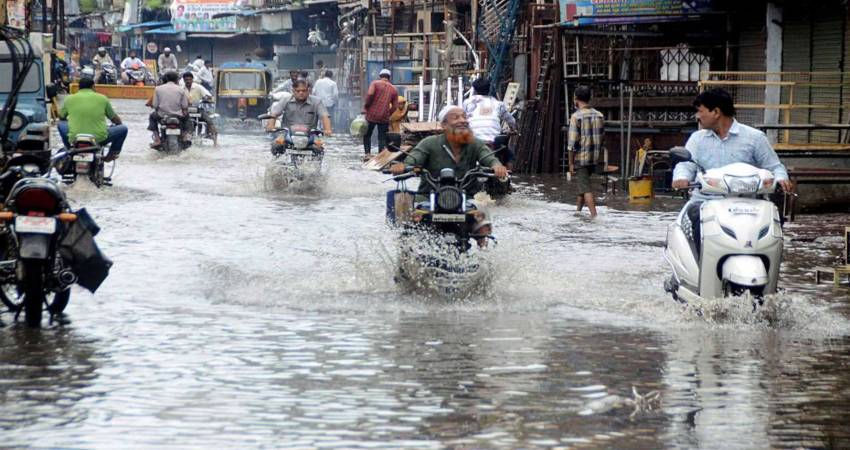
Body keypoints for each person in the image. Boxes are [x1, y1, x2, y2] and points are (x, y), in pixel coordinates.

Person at [672, 88, 791, 247]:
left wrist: (782, 179)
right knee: (685, 230)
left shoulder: (754, 137)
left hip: (747, 205)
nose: (697, 117)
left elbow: (775, 167)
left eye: (700, 111)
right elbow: (686, 165)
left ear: (716, 112)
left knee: (771, 230)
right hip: (705, 202)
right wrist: (681, 178)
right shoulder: (697, 139)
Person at [389, 106, 508, 244]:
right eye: (456, 117)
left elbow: (488, 157)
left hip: (465, 199)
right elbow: (414, 159)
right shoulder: (430, 143)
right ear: (444, 124)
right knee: (412, 220)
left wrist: (497, 166)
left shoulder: (474, 143)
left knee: (482, 216)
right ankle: (408, 253)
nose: (462, 120)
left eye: (464, 117)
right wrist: (402, 166)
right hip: (429, 197)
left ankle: (484, 255)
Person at [57, 77, 127, 162]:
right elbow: (114, 118)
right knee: (123, 129)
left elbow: (61, 116)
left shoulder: (69, 99)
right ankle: (111, 155)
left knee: (60, 124)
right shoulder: (102, 98)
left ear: (79, 87)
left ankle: (68, 149)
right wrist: (119, 124)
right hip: (98, 138)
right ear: (93, 87)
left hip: (75, 138)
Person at [463, 77, 518, 169]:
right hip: (494, 142)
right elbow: (511, 121)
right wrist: (514, 129)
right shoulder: (498, 104)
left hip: (473, 140)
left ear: (475, 90)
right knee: (509, 156)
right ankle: (507, 177)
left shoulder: (467, 103)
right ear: (489, 89)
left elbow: (463, 118)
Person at [567, 85, 605, 218]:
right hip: (594, 157)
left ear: (576, 99)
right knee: (582, 186)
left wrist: (571, 163)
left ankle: (594, 216)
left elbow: (572, 144)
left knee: (586, 188)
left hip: (581, 158)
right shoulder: (599, 115)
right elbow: (602, 138)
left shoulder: (576, 117)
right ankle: (578, 211)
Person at [267, 79, 332, 136]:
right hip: (287, 133)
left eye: (303, 91)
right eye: (298, 91)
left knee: (318, 146)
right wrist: (270, 126)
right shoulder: (285, 100)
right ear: (293, 91)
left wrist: (327, 130)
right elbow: (274, 114)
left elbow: (324, 116)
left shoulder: (317, 101)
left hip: (311, 134)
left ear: (308, 91)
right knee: (277, 144)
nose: (301, 93)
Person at [147, 70, 190, 148]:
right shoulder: (181, 89)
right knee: (187, 117)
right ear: (177, 79)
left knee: (152, 117)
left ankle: (157, 139)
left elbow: (155, 105)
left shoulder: (158, 88)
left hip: (162, 116)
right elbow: (185, 106)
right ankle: (184, 137)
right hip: (178, 116)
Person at [362, 68, 398, 160]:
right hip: (384, 117)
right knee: (382, 137)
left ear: (380, 76)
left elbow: (370, 94)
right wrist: (388, 114)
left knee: (367, 134)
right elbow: (394, 107)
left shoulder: (375, 83)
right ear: (389, 77)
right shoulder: (394, 89)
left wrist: (366, 106)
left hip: (371, 114)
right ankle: (381, 155)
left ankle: (367, 154)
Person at [182, 71, 217, 143]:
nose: (188, 81)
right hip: (185, 110)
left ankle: (214, 139)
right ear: (184, 80)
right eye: (186, 80)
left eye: (189, 79)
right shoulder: (181, 88)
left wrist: (207, 98)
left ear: (192, 79)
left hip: (197, 109)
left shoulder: (198, 87)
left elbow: (208, 95)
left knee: (209, 121)